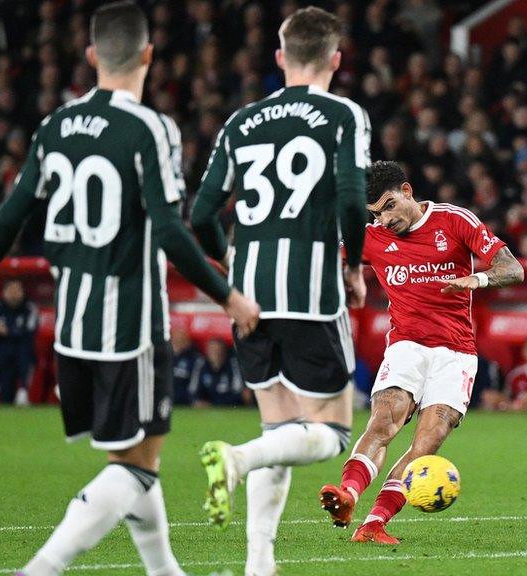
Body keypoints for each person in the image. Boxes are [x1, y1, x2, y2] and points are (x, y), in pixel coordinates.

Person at [0, 3, 260, 575]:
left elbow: (11, 213)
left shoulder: (55, 126)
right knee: (138, 466)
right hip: (130, 329)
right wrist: (228, 296)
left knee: (134, 457)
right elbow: (170, 229)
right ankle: (41, 568)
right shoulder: (150, 128)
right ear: (148, 55)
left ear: (92, 55)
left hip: (73, 330)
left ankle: (166, 572)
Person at [189, 7, 370, 574]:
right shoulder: (342, 114)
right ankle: (236, 459)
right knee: (333, 431)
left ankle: (258, 566)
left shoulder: (241, 122)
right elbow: (348, 197)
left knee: (280, 430)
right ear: (335, 60)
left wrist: (231, 262)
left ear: (279, 58)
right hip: (309, 292)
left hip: (246, 296)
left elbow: (199, 214)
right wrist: (355, 266)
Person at [318, 161, 524, 544]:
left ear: (408, 191)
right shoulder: (368, 235)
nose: (383, 221)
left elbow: (513, 269)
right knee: (384, 422)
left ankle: (374, 523)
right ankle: (347, 494)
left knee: (425, 445)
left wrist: (475, 279)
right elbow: (316, 252)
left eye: (389, 207)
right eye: (375, 214)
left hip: (456, 353)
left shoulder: (454, 221)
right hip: (406, 345)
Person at [0, 279, 38, 406]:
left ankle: (23, 391)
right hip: (1, 356)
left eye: (17, 290)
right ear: (4, 292)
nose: (14, 294)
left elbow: (29, 335)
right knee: (5, 396)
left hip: (22, 356)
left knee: (24, 351)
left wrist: (7, 332)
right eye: (10, 290)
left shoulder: (29, 309)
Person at [189, 338, 249, 407]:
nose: (215, 353)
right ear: (207, 352)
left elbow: (239, 394)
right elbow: (193, 391)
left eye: (218, 350)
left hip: (229, 407)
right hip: (208, 407)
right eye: (212, 350)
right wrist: (197, 401)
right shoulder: (201, 365)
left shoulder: (233, 365)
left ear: (224, 351)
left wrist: (213, 404)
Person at [168, 326, 203, 405]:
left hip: (185, 400)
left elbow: (194, 384)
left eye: (182, 339)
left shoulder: (194, 358)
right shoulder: (163, 356)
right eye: (176, 339)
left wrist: (193, 399)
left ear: (188, 342)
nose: (178, 341)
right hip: (165, 396)